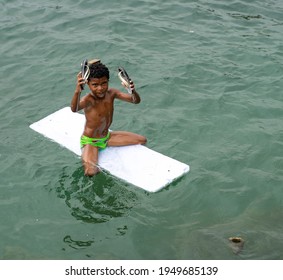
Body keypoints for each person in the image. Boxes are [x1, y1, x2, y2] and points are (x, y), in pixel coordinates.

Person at [71, 60, 147, 176]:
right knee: (91, 172)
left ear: (108, 81)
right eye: (95, 85)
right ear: (88, 84)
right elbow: (74, 108)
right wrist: (77, 92)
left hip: (107, 137)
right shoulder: (88, 100)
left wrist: (132, 91)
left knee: (142, 140)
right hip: (92, 141)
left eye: (104, 83)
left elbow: (135, 101)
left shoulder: (112, 93)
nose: (100, 88)